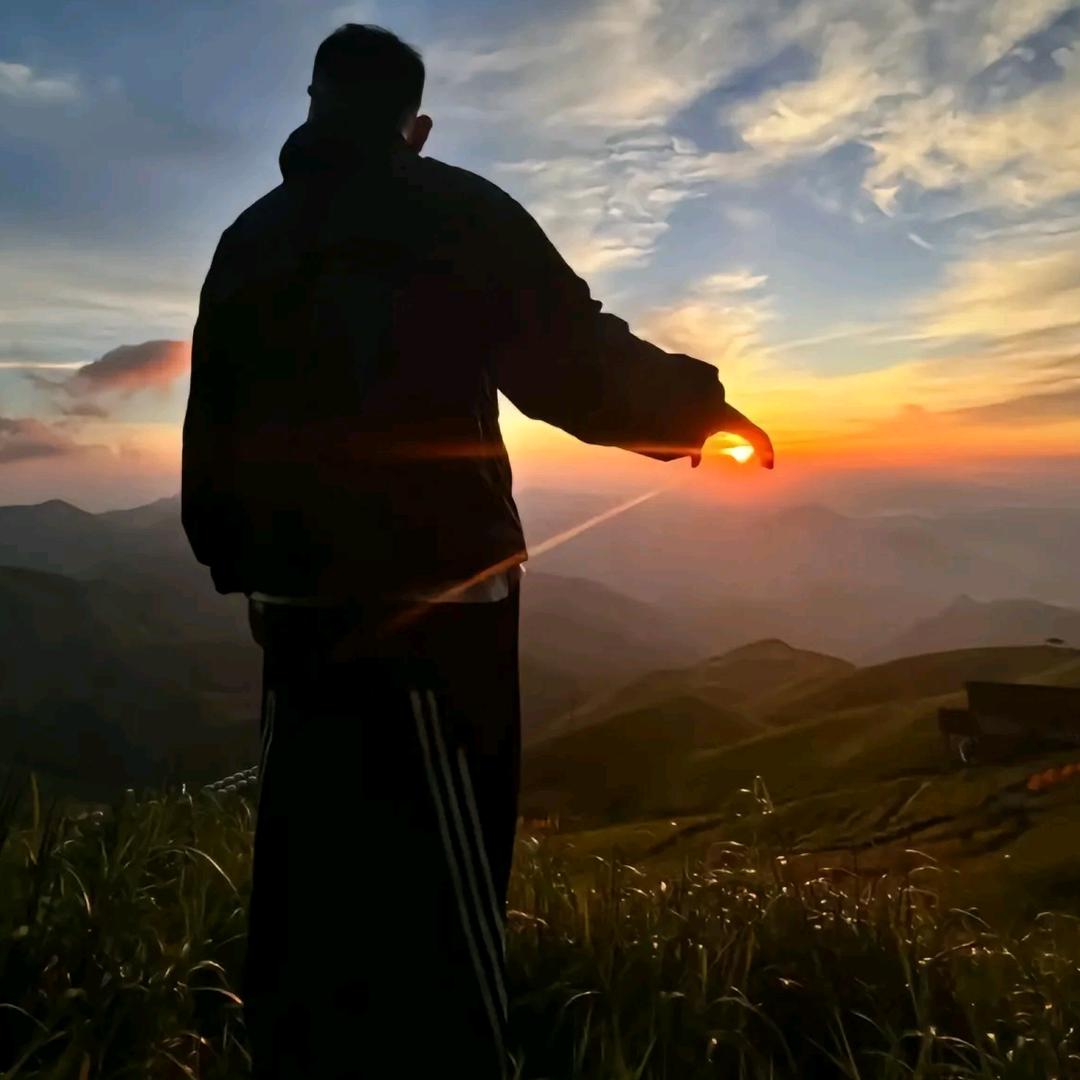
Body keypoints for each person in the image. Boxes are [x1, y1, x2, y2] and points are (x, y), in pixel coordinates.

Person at [181, 23, 773, 1079]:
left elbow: (210, 427)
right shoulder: (450, 208)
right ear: (416, 124)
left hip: (292, 616)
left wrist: (242, 561)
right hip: (435, 612)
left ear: (313, 103)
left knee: (309, 882)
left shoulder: (249, 237)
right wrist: (700, 412)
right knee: (442, 907)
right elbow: (571, 358)